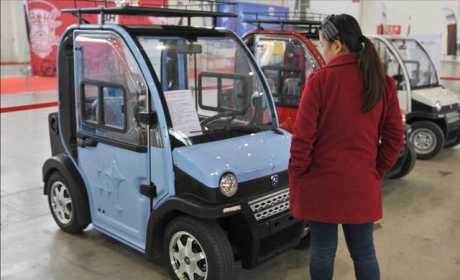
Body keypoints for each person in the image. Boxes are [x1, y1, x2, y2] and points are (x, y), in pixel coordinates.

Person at [288, 14, 404, 280]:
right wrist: (377, 170)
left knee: (322, 252)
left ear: (337, 46)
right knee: (364, 253)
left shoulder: (319, 82)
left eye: (323, 46)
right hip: (361, 184)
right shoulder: (382, 83)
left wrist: (299, 173)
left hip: (321, 186)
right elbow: (395, 136)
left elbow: (302, 139)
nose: (323, 52)